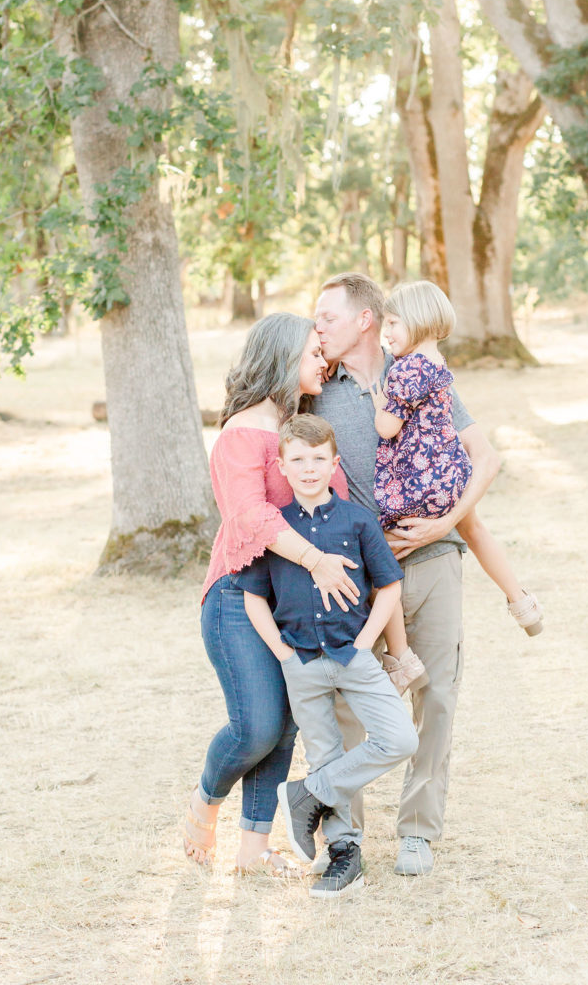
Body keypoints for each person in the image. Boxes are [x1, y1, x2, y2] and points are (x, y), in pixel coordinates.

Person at [313, 271, 501, 876]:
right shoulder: (317, 389)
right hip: (357, 574)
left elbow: (482, 457)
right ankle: (344, 837)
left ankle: (418, 831)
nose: (318, 328)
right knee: (345, 702)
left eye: (328, 317)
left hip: (433, 558)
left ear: (365, 319)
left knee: (437, 695)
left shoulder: (419, 372)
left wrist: (445, 520)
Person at [184, 312, 360, 876]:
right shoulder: (242, 434)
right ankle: (204, 802)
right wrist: (313, 558)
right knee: (256, 725)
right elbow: (250, 515)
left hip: (293, 603)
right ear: (284, 355)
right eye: (313, 351)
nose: (323, 361)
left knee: (286, 726)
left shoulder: (301, 434)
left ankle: (254, 849)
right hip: (238, 595)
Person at [239, 414, 418, 897]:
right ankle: (343, 851)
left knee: (399, 738)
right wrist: (281, 652)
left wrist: (364, 644)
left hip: (353, 655)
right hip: (300, 660)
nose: (309, 468)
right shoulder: (277, 530)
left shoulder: (357, 519)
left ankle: (306, 795)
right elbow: (253, 594)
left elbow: (389, 585)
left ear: (334, 463)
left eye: (319, 459)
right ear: (282, 466)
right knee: (323, 752)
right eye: (298, 459)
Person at [371, 280, 543, 636]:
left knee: (381, 547)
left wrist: (379, 403)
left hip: (418, 477)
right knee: (473, 527)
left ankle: (398, 652)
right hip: (451, 470)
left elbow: (388, 429)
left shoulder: (404, 370)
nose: (385, 332)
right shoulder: (437, 363)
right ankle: (520, 601)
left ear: (417, 320)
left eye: (392, 323)